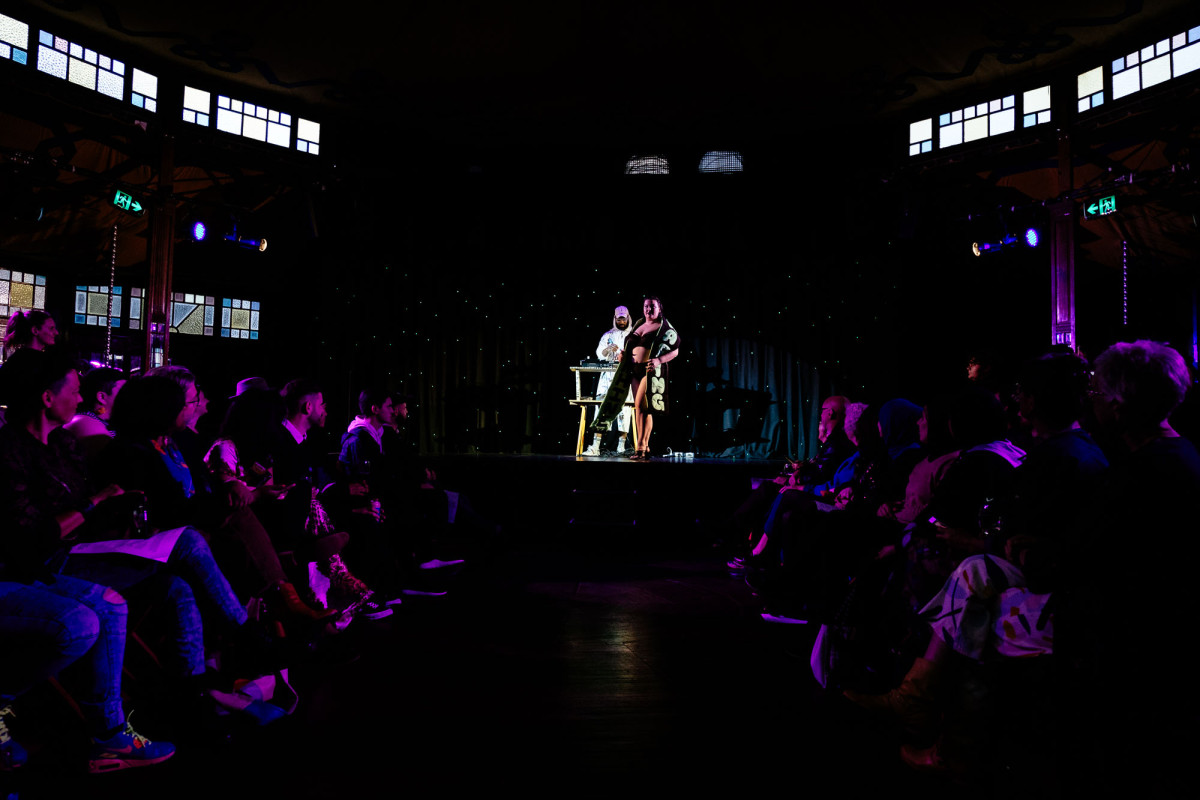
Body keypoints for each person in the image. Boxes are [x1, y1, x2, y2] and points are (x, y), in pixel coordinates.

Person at [591, 296, 681, 459]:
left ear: (659, 308)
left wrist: (659, 360)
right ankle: (644, 446)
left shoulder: (663, 327)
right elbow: (628, 346)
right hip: (633, 370)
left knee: (640, 405)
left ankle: (640, 447)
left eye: (652, 306)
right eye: (646, 306)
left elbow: (675, 350)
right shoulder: (639, 324)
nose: (649, 309)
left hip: (649, 371)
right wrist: (623, 354)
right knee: (642, 409)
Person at [583, 306, 632, 456]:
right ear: (615, 318)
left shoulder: (633, 335)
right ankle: (595, 446)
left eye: (623, 319)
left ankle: (621, 447)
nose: (621, 321)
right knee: (601, 408)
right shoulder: (607, 335)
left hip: (624, 376)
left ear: (628, 318)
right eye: (619, 319)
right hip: (607, 377)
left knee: (625, 410)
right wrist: (608, 349)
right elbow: (600, 354)